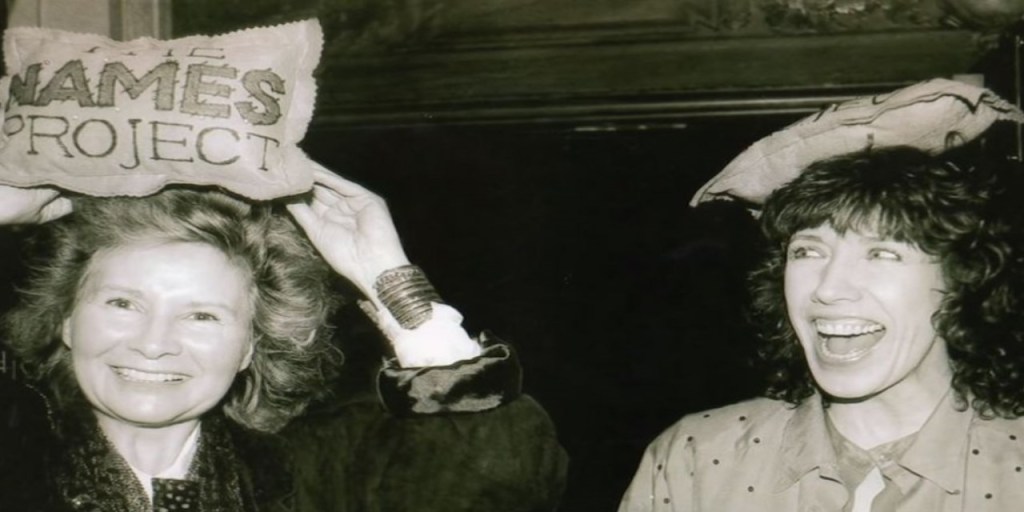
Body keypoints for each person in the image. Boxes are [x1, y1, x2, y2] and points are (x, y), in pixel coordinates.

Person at [0, 165, 567, 511]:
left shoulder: (320, 476)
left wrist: (390, 280)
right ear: (66, 319)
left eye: (203, 317)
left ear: (251, 346)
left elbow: (501, 474)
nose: (153, 343)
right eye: (123, 304)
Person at [619, 146, 1024, 511]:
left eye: (881, 253)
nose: (828, 289)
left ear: (961, 278)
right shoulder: (695, 459)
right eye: (808, 251)